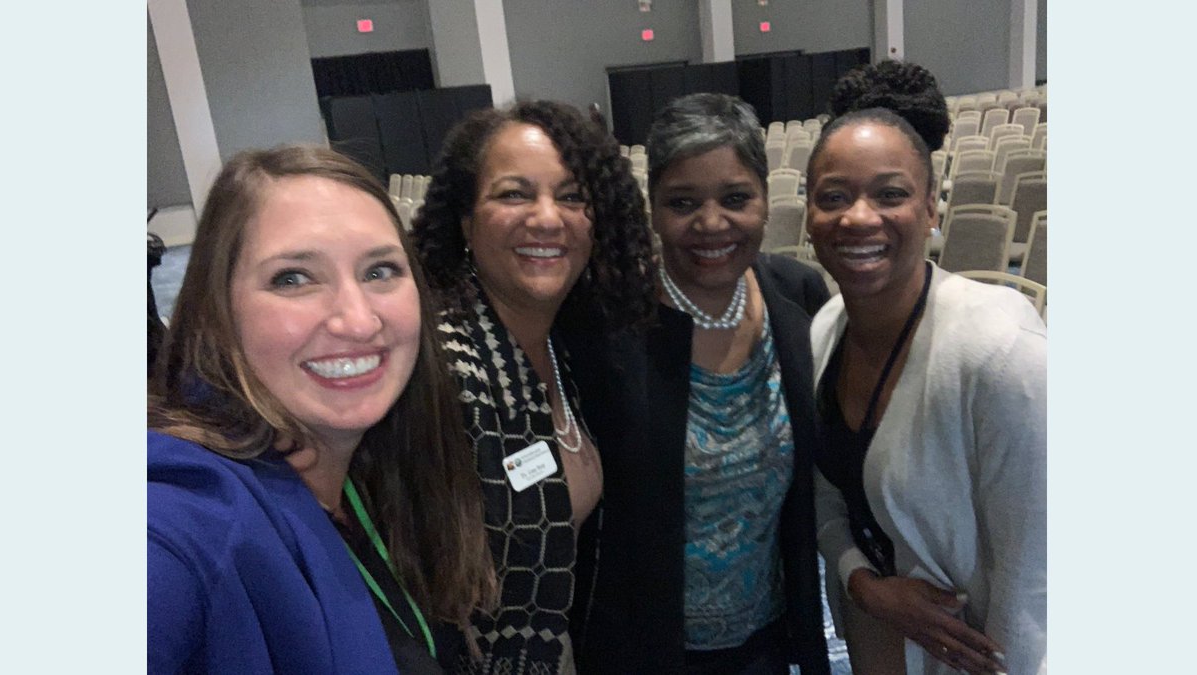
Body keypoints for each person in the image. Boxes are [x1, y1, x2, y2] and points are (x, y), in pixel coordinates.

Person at [147, 146, 494, 674]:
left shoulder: (366, 471)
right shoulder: (188, 512)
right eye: (293, 278)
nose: (358, 321)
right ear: (217, 315)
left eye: (380, 270)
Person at [565, 93, 832, 675]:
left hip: (768, 636)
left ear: (765, 198)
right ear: (654, 209)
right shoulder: (609, 325)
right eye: (683, 203)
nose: (711, 224)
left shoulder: (798, 296)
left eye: (735, 198)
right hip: (646, 651)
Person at [805, 64, 1047, 675]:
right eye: (833, 196)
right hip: (872, 639)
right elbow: (826, 494)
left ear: (932, 206)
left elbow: (1035, 578)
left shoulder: (1001, 351)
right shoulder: (823, 330)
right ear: (809, 216)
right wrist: (863, 583)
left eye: (890, 194)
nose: (859, 217)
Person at [411, 100, 656, 674]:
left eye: (571, 196)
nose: (548, 218)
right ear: (466, 222)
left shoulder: (568, 345)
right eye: (514, 194)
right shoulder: (433, 372)